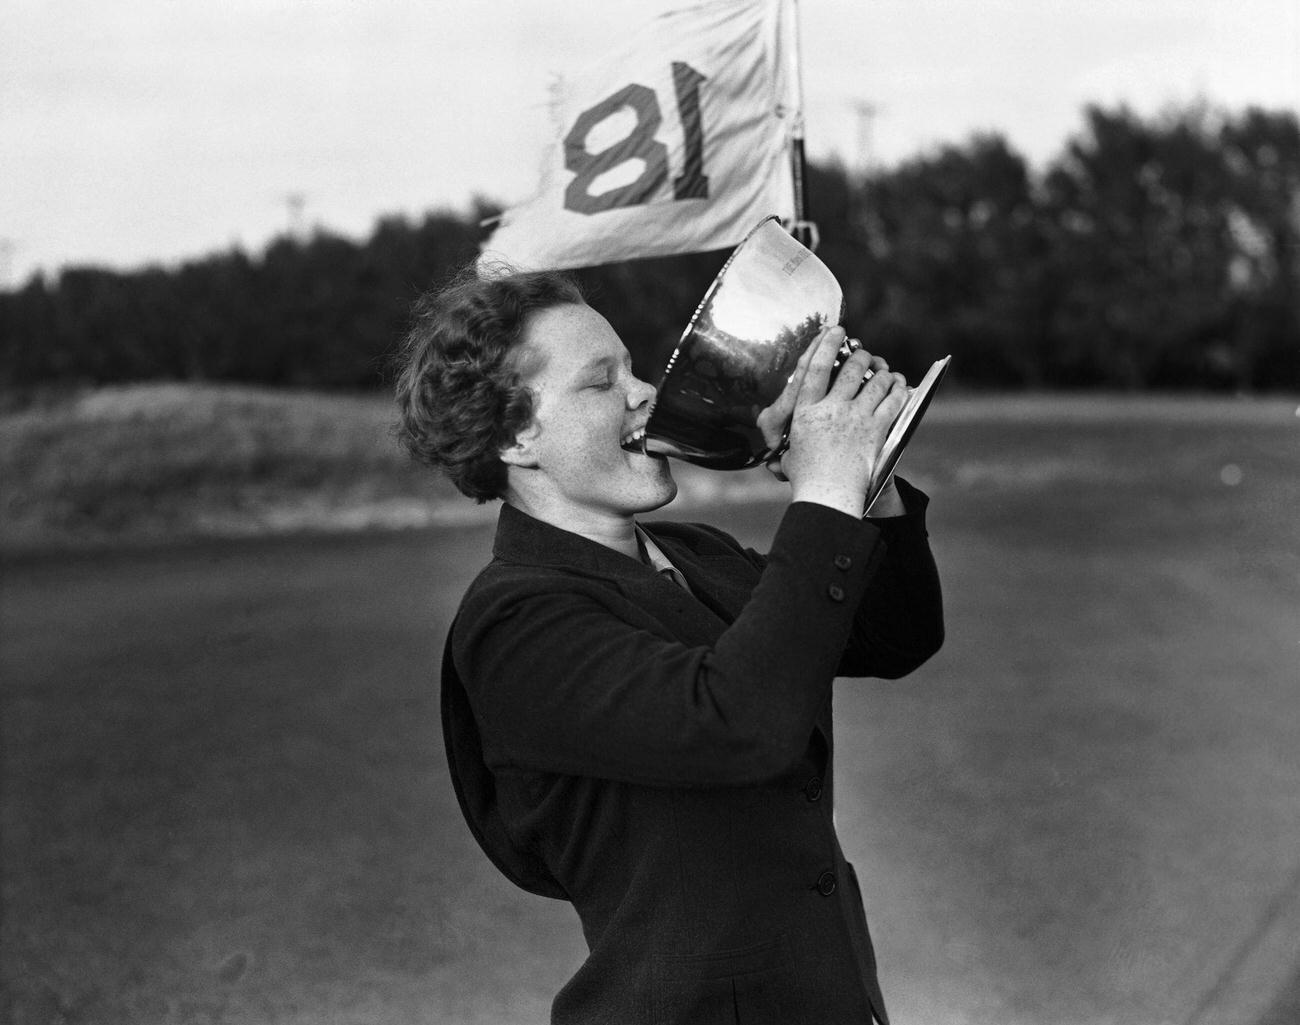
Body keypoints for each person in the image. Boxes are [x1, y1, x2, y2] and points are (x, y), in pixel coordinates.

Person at [393, 266, 944, 1025]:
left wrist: (866, 476)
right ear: (515, 435)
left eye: (632, 367)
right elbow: (737, 721)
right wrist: (822, 492)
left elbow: (898, 633)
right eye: (600, 381)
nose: (645, 391)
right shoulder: (513, 621)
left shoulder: (696, 553)